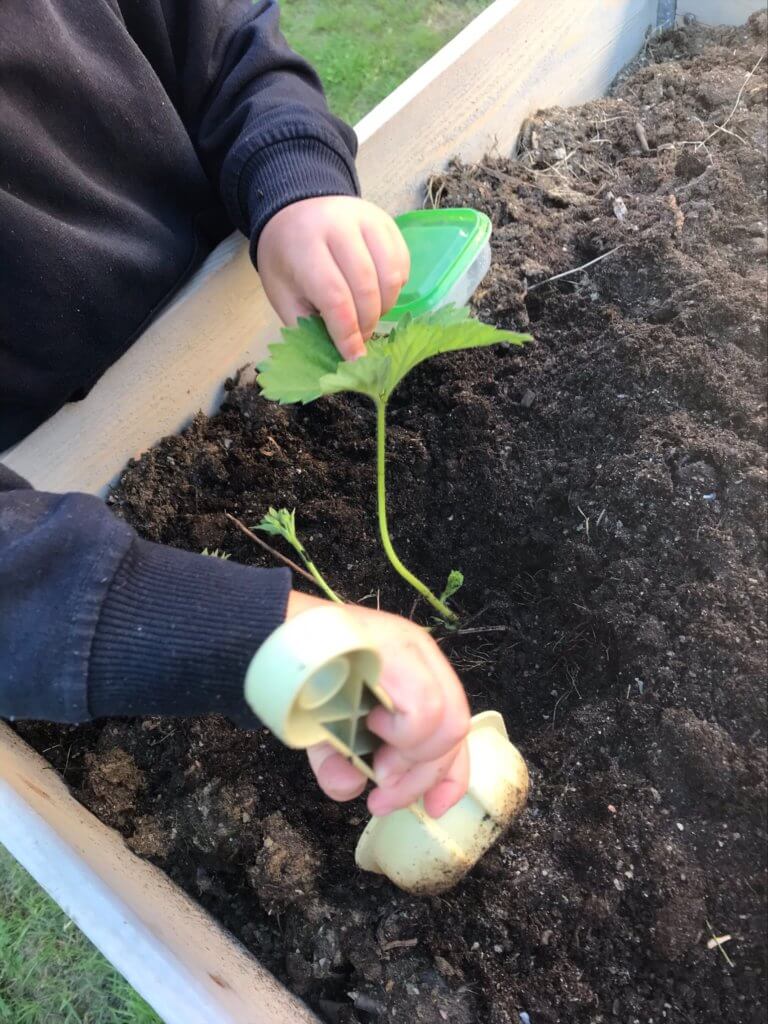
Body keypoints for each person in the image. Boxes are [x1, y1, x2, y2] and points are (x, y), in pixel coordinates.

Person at [0, 0, 470, 820]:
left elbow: (220, 35)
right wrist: (253, 636)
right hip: (41, 503)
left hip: (228, 290)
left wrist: (293, 182)